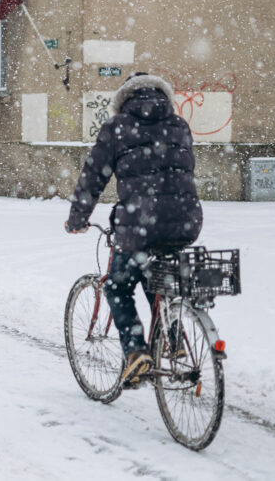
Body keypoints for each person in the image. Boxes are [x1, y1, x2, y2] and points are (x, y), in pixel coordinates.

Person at [65, 72, 202, 386]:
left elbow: (92, 178)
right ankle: (174, 340)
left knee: (117, 286)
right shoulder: (179, 125)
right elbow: (184, 170)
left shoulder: (117, 127)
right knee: (158, 280)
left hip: (140, 224)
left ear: (124, 100)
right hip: (185, 221)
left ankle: (136, 352)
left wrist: (77, 218)